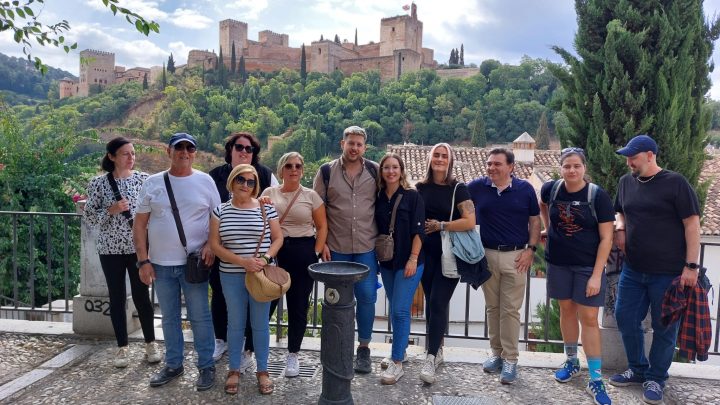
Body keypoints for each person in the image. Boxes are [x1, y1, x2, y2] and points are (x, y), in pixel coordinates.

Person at [608, 135, 701, 405]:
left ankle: (656, 377)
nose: (628, 162)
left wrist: (691, 266)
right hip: (633, 270)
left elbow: (692, 225)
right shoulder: (626, 182)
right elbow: (620, 211)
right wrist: (622, 226)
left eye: (633, 157)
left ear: (650, 155)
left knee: (665, 328)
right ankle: (637, 370)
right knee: (625, 317)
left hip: (669, 273)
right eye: (627, 157)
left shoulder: (675, 183)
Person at [133, 133, 220, 391]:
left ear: (194, 153)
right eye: (179, 148)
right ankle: (173, 363)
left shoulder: (205, 181)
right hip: (159, 263)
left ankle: (206, 365)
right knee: (169, 318)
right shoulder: (153, 182)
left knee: (200, 317)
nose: (184, 152)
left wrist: (209, 245)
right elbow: (140, 225)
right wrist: (142, 261)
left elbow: (218, 219)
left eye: (189, 148)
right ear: (168, 151)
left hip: (194, 263)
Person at [539, 148, 614, 405]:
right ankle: (572, 361)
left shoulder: (598, 196)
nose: (571, 170)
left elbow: (607, 238)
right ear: (561, 168)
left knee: (590, 318)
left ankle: (596, 379)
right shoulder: (552, 189)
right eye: (567, 166)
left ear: (584, 168)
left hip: (587, 267)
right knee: (566, 311)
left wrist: (596, 275)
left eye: (576, 166)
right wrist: (548, 229)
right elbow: (543, 204)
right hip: (558, 263)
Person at [83, 137, 161, 368]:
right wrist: (111, 210)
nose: (131, 158)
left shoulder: (144, 180)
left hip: (138, 250)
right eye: (126, 154)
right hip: (110, 249)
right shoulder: (99, 183)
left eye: (133, 153)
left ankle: (150, 344)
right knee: (117, 298)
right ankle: (122, 348)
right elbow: (88, 216)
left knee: (142, 297)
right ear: (112, 156)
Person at [468, 147, 540, 385]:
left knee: (510, 309)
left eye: (497, 164)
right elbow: (456, 199)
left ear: (511, 167)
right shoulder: (478, 187)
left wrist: (532, 250)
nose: (491, 168)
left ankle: (511, 359)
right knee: (493, 308)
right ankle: (496, 354)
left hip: (516, 257)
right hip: (487, 255)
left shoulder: (525, 189)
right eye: (489, 164)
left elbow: (534, 220)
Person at [209, 164, 283, 395]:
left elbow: (278, 238)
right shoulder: (219, 211)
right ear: (232, 181)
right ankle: (234, 370)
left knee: (260, 325)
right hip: (231, 275)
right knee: (235, 323)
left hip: (259, 275)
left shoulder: (265, 208)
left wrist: (265, 258)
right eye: (241, 180)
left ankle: (263, 371)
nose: (245, 185)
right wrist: (243, 262)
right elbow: (215, 246)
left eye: (251, 182)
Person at [313, 125, 379, 374]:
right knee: (335, 301)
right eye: (350, 143)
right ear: (342, 144)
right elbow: (316, 210)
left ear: (365, 147)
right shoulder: (326, 172)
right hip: (336, 247)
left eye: (359, 144)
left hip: (366, 246)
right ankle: (336, 347)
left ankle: (363, 349)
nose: (354, 148)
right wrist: (323, 243)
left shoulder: (374, 170)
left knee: (366, 298)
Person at [260, 152, 327, 378]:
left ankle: (293, 355)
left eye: (298, 165)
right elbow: (259, 218)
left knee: (298, 305)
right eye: (289, 165)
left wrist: (315, 252)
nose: (294, 169)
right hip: (275, 253)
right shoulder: (268, 193)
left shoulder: (311, 196)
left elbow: (322, 226)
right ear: (281, 170)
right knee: (265, 302)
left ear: (302, 169)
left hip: (302, 252)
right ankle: (252, 350)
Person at [416, 143, 476, 384]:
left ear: (450, 161)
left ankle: (431, 357)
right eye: (436, 155)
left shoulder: (458, 189)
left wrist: (441, 225)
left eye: (444, 156)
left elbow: (470, 221)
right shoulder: (419, 187)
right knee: (431, 301)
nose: (440, 159)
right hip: (425, 254)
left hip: (449, 254)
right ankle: (435, 348)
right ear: (430, 159)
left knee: (439, 302)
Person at [375, 153, 425, 385]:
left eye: (395, 167)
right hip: (387, 262)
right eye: (387, 167)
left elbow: (419, 232)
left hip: (409, 261)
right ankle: (401, 351)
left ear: (401, 170)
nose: (391, 171)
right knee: (395, 308)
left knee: (401, 311)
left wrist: (413, 259)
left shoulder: (412, 196)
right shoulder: (378, 197)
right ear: (382, 171)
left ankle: (397, 363)